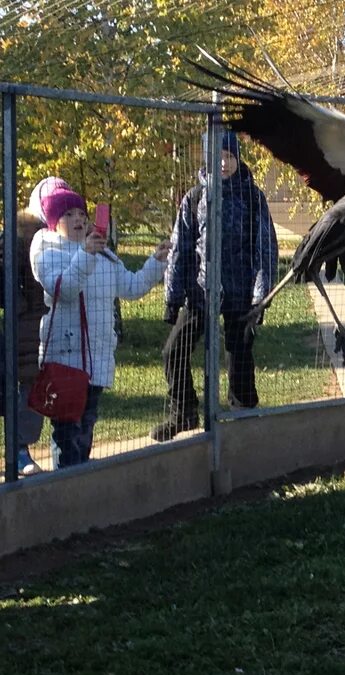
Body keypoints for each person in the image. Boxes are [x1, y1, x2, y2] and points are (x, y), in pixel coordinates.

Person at [150, 130, 278, 442]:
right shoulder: (194, 197)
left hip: (241, 291)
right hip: (201, 290)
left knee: (240, 353)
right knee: (174, 350)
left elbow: (266, 248)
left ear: (238, 158)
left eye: (229, 156)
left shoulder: (252, 196)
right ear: (207, 158)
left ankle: (243, 413)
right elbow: (181, 248)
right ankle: (183, 413)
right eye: (217, 156)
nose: (223, 162)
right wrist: (173, 295)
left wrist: (261, 298)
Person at [30, 188, 170, 468]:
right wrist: (85, 254)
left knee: (86, 429)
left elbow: (132, 287)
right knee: (67, 434)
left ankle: (81, 487)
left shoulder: (102, 253)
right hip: (65, 360)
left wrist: (156, 262)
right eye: (68, 214)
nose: (78, 219)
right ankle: (66, 489)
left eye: (82, 213)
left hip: (98, 360)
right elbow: (65, 290)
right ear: (54, 222)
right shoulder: (48, 252)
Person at [0, 177, 71, 475]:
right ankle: (19, 452)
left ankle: (58, 452)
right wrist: (21, 309)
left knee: (44, 390)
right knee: (27, 389)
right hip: (27, 328)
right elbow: (5, 279)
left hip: (58, 326)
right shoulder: (19, 235)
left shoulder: (67, 236)